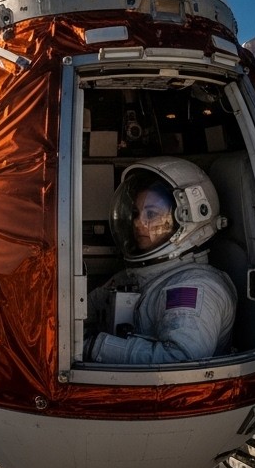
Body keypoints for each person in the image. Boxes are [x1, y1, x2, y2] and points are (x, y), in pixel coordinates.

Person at [84, 156, 237, 365]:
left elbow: (181, 361)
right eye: (137, 214)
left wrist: (94, 347)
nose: (138, 223)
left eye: (152, 214)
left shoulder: (194, 288)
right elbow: (86, 309)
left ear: (189, 218)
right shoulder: (140, 276)